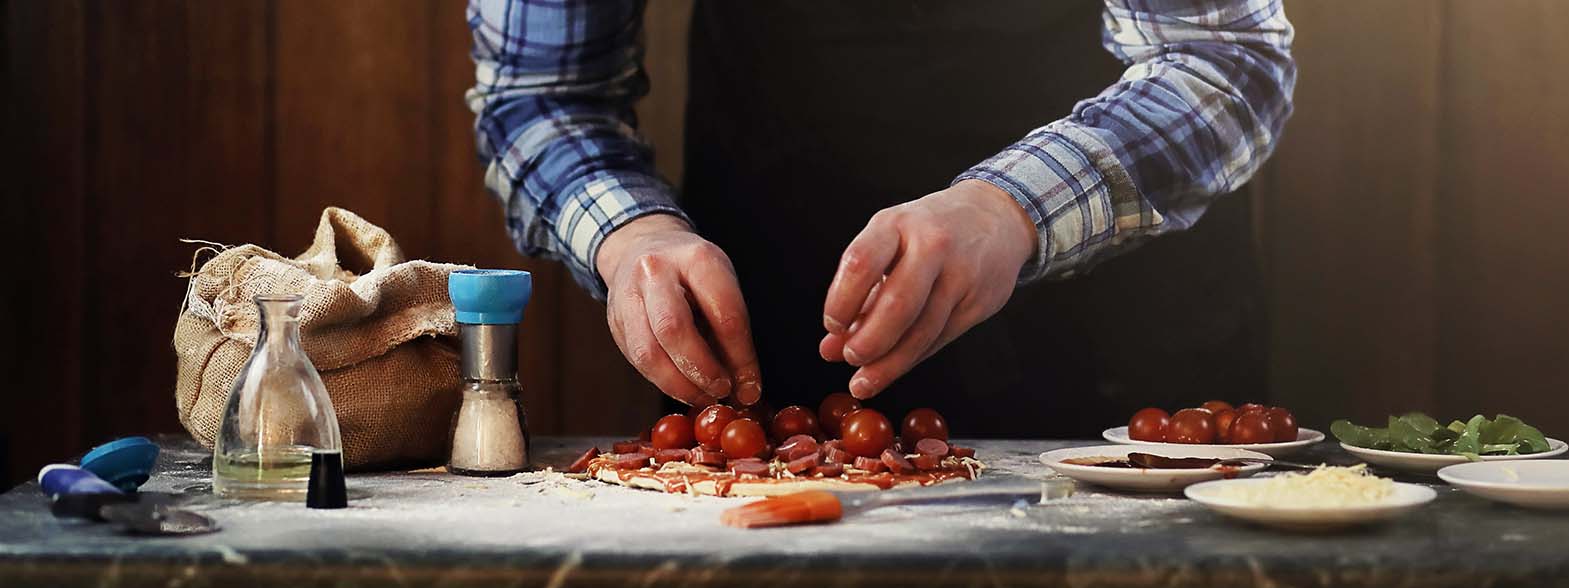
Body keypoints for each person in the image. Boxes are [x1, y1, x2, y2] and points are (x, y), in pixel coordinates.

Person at [467, 0, 1295, 436]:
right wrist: (633, 235)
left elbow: (1223, 58)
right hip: (778, 358)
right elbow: (541, 96)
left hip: (1125, 354)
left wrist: (1009, 208)